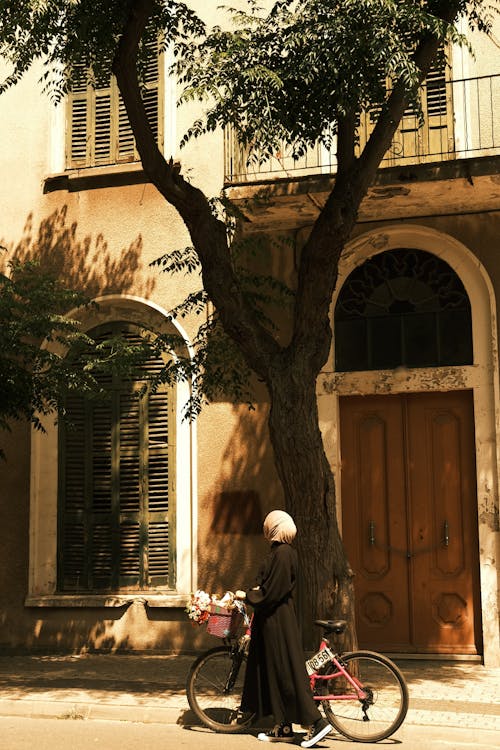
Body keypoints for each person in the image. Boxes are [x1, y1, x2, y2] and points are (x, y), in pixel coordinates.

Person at [237, 510, 332, 747]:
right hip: (274, 622)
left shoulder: (283, 553)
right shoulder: (281, 553)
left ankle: (316, 723)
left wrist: (247, 595)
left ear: (275, 527)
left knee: (288, 675)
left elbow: (272, 592)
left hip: (278, 622)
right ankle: (283, 727)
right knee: (277, 673)